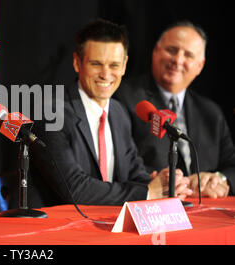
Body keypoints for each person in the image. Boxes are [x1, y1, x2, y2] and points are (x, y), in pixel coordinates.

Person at [27, 19, 191, 207]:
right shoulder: (51, 113)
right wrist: (147, 192)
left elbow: (134, 173)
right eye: (96, 64)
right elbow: (74, 189)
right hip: (57, 228)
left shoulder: (118, 112)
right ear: (77, 63)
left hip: (107, 226)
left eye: (114, 65)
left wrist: (164, 184)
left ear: (124, 65)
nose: (105, 74)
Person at [114, 21, 235, 198]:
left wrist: (220, 179)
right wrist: (167, 183)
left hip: (205, 211)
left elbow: (232, 164)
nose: (178, 60)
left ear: (200, 66)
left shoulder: (211, 112)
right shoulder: (125, 97)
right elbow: (120, 161)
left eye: (188, 55)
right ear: (155, 51)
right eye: (171, 50)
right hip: (152, 208)